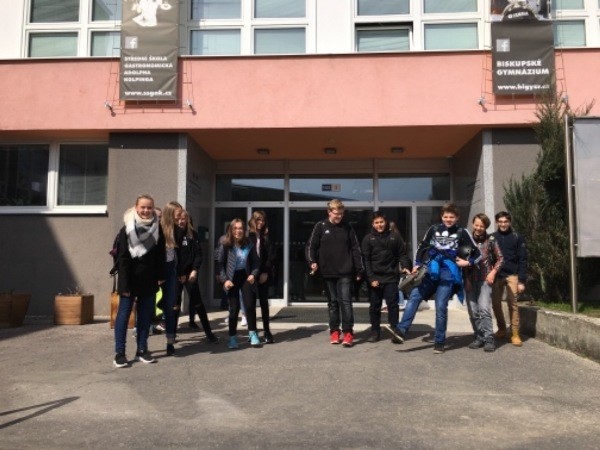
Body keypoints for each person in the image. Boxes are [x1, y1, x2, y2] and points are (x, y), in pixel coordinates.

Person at [396, 202, 481, 354]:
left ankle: (439, 341)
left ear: (457, 218)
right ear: (442, 217)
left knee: (441, 306)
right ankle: (401, 330)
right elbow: (422, 247)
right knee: (414, 296)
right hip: (430, 270)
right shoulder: (434, 229)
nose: (448, 219)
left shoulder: (462, 232)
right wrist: (417, 264)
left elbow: (478, 253)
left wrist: (468, 262)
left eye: (452, 217)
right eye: (446, 216)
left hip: (448, 273)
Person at [113, 194, 165, 367]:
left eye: (149, 207)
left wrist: (160, 276)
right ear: (136, 208)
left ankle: (142, 350)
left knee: (144, 317)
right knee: (123, 315)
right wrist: (124, 285)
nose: (146, 210)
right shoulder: (126, 229)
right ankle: (120, 353)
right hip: (129, 280)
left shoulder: (158, 229)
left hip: (149, 279)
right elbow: (122, 259)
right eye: (143, 207)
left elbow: (160, 256)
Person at [305, 199, 364, 347]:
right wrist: (312, 261)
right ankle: (334, 331)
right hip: (327, 272)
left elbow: (355, 248)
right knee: (333, 303)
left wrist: (359, 268)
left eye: (341, 214)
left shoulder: (347, 227)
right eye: (336, 214)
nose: (339, 217)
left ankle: (348, 332)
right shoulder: (320, 226)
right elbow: (311, 246)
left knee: (345, 301)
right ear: (329, 212)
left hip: (345, 271)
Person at [362, 211, 412, 343]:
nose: (379, 225)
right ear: (372, 224)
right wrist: (371, 278)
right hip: (375, 278)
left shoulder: (395, 237)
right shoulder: (368, 239)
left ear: (386, 222)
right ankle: (375, 331)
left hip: (391, 277)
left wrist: (405, 266)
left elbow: (402, 254)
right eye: (376, 223)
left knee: (393, 305)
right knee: (375, 306)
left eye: (381, 222)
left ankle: (395, 329)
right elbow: (366, 260)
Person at [215, 218, 261, 349]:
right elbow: (220, 263)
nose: (238, 231)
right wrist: (225, 280)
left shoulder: (249, 243)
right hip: (231, 277)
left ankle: (253, 333)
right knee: (234, 308)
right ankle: (232, 337)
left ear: (244, 230)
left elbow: (256, 261)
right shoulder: (225, 243)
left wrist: (253, 274)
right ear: (231, 230)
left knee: (250, 305)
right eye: (235, 228)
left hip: (246, 276)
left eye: (240, 228)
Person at [176, 210, 219, 344]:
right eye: (178, 219)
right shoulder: (171, 234)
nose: (181, 221)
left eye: (184, 219)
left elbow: (198, 254)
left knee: (198, 303)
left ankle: (208, 333)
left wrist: (195, 270)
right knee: (175, 304)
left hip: (190, 274)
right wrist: (179, 273)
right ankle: (171, 334)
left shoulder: (192, 234)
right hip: (176, 274)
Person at [464, 213, 504, 353]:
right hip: (469, 280)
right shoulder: (466, 240)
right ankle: (479, 337)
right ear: (472, 224)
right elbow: (461, 259)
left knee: (484, 309)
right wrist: (466, 279)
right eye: (476, 225)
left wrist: (493, 272)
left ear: (485, 227)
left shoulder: (491, 240)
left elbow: (500, 258)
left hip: (485, 280)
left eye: (482, 226)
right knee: (473, 311)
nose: (478, 228)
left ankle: (489, 339)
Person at [491, 211, 527, 346]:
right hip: (497, 275)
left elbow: (523, 259)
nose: (503, 224)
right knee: (495, 304)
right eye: (500, 222)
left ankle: (515, 333)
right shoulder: (492, 238)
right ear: (497, 222)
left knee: (513, 304)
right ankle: (501, 329)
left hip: (512, 275)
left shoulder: (517, 237)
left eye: (505, 221)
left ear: (510, 222)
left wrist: (521, 281)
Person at [160, 200, 186, 356]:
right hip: (158, 271)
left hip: (171, 271)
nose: (180, 216)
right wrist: (158, 274)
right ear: (170, 213)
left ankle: (170, 342)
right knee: (149, 307)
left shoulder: (178, 230)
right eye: (178, 213)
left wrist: (181, 272)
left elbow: (180, 254)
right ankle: (142, 343)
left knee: (170, 307)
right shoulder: (158, 229)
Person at [248, 210, 277, 344]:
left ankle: (267, 331)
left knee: (264, 303)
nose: (260, 223)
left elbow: (271, 256)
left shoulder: (266, 237)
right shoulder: (248, 236)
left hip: (263, 274)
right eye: (258, 220)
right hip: (250, 274)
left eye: (263, 220)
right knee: (250, 304)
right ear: (253, 220)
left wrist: (265, 272)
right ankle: (253, 331)